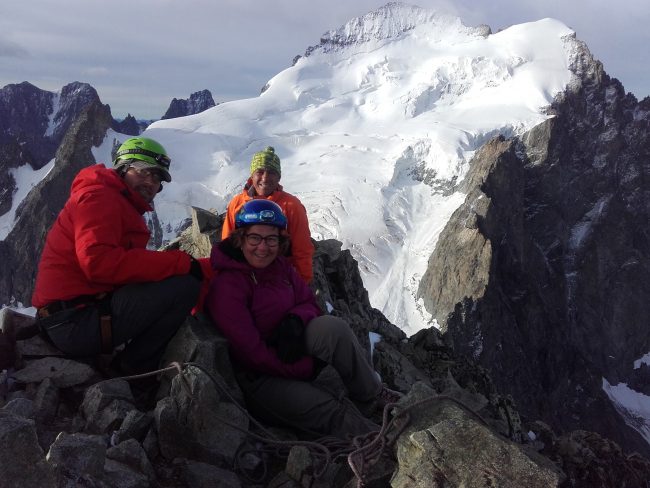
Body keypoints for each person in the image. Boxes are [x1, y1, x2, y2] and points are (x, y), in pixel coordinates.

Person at [206, 200, 401, 438]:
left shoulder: (281, 268)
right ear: (240, 238)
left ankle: (370, 394)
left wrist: (296, 319)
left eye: (271, 239)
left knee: (333, 329)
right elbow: (252, 354)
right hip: (258, 379)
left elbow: (309, 302)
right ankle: (383, 443)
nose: (263, 247)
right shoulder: (228, 286)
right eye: (255, 238)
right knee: (326, 408)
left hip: (289, 349)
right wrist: (305, 369)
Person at [31, 136, 204, 375]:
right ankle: (132, 371)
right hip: (74, 324)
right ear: (123, 167)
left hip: (71, 315)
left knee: (168, 280)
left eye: (156, 178)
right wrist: (180, 263)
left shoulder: (112, 198)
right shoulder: (99, 198)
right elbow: (99, 263)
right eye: (143, 172)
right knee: (184, 288)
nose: (151, 182)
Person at [221, 146, 314, 284]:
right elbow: (227, 244)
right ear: (251, 176)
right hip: (242, 275)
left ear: (279, 177)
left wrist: (302, 284)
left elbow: (302, 249)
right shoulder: (237, 203)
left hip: (279, 277)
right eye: (260, 172)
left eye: (271, 172)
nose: (265, 177)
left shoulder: (292, 206)